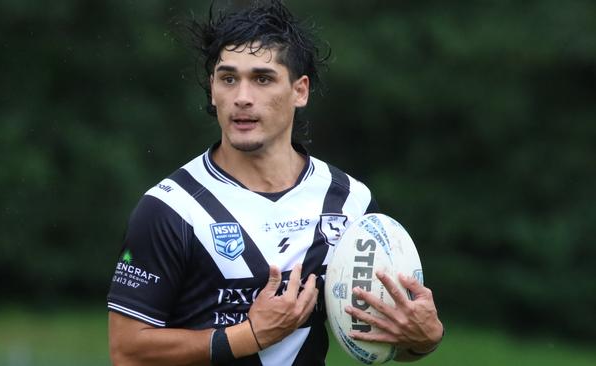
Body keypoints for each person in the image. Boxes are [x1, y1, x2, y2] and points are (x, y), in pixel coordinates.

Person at [107, 1, 444, 365]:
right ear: (212, 89)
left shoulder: (349, 202)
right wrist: (248, 336)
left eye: (262, 79)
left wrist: (424, 338)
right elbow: (128, 352)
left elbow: (384, 338)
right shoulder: (172, 209)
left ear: (300, 91)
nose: (242, 98)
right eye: (228, 78)